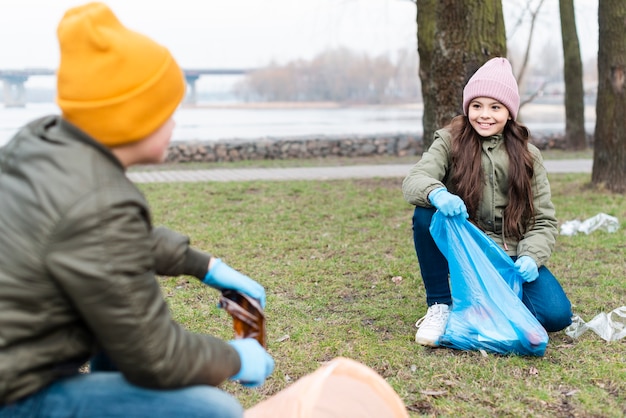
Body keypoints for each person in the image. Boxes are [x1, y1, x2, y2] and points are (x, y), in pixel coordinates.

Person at [0, 3, 273, 417]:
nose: (174, 125)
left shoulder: (40, 143)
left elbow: (106, 240)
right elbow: (158, 356)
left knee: (116, 339)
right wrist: (236, 357)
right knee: (212, 411)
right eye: (167, 112)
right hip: (15, 394)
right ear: (134, 118)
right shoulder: (100, 199)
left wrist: (204, 265)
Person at [402, 57, 572, 347]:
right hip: (467, 249)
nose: (485, 115)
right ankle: (441, 306)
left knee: (556, 315)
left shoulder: (529, 155)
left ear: (509, 112)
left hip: (511, 255)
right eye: (477, 105)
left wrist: (531, 255)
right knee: (424, 214)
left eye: (495, 107)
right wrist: (437, 193)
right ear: (467, 107)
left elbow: (543, 220)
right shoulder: (448, 140)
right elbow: (415, 179)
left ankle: (494, 308)